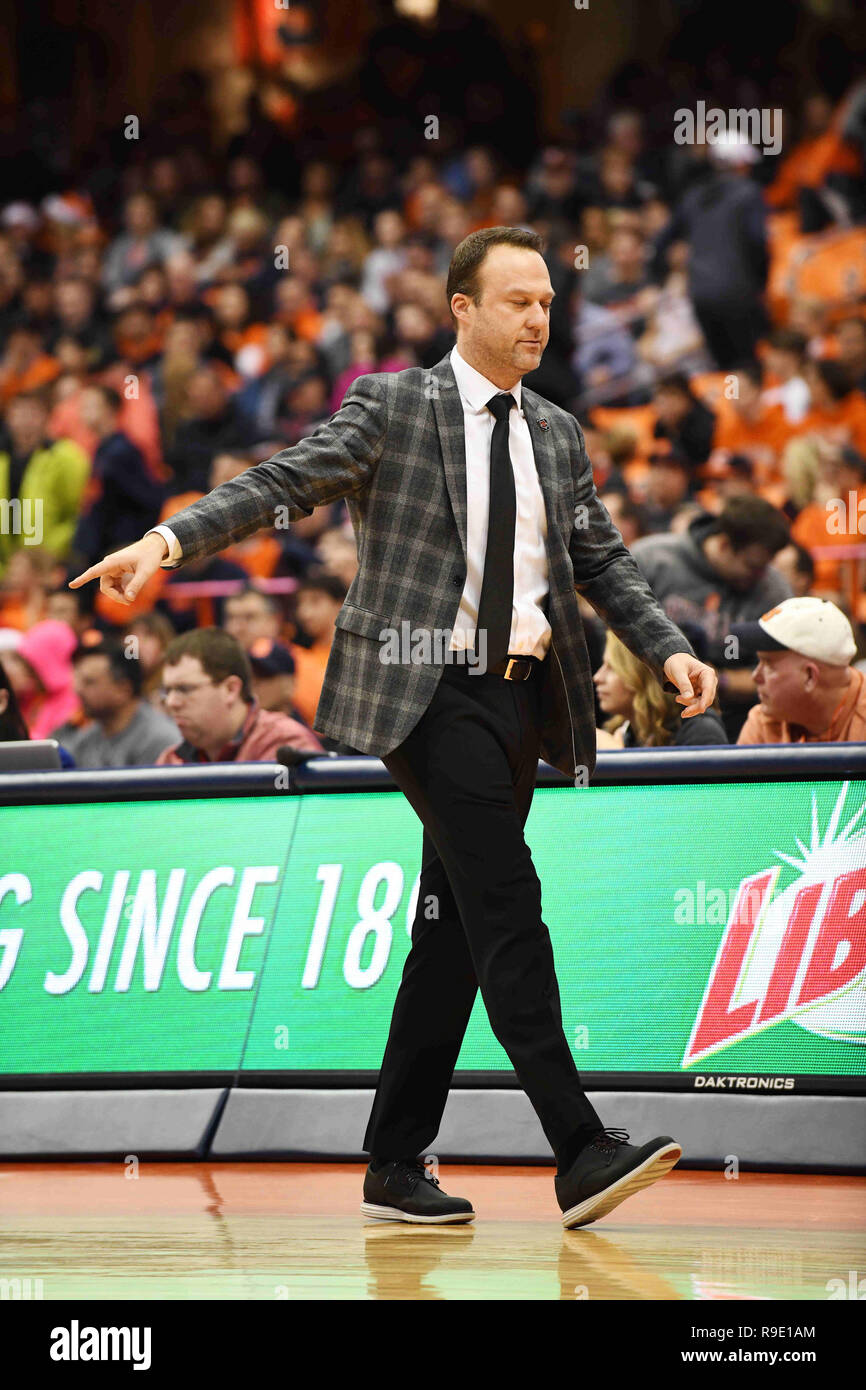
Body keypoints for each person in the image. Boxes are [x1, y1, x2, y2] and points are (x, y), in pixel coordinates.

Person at [70, 225, 716, 1231]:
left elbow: (602, 558)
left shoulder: (555, 430)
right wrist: (168, 537)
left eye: (547, 300)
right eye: (517, 301)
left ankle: (391, 1158)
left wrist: (667, 644)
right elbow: (283, 480)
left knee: (451, 930)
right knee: (505, 898)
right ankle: (579, 1146)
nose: (538, 316)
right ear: (461, 309)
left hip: (517, 696)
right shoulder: (393, 404)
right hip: (421, 688)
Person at [632, 496, 791, 739]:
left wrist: (718, 679)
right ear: (724, 544)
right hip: (644, 705)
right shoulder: (652, 559)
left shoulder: (772, 588)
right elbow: (612, 647)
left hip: (734, 719)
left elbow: (783, 672)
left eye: (766, 566)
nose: (760, 575)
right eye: (753, 565)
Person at [153, 628, 322, 764]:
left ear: (231, 689)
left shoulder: (285, 747)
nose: (171, 702)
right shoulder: (171, 760)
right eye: (167, 691)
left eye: (185, 689)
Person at [732, 597, 866, 744]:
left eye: (769, 664)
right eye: (759, 662)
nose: (755, 676)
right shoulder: (764, 722)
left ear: (810, 676)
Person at [51, 640, 180, 768]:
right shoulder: (88, 737)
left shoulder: (159, 740)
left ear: (124, 689)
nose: (78, 690)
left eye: (89, 682)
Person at [594, 630, 727, 748]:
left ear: (641, 674)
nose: (597, 677)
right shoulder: (624, 733)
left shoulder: (700, 731)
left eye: (611, 667)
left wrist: (618, 758)